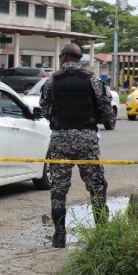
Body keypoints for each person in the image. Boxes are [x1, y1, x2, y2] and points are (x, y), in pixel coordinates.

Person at [39, 43, 113, 248]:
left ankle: (59, 235)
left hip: (60, 138)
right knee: (96, 186)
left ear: (64, 58)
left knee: (59, 188)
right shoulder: (92, 79)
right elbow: (106, 109)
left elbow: (44, 109)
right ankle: (102, 232)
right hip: (86, 138)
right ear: (79, 59)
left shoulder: (52, 81)